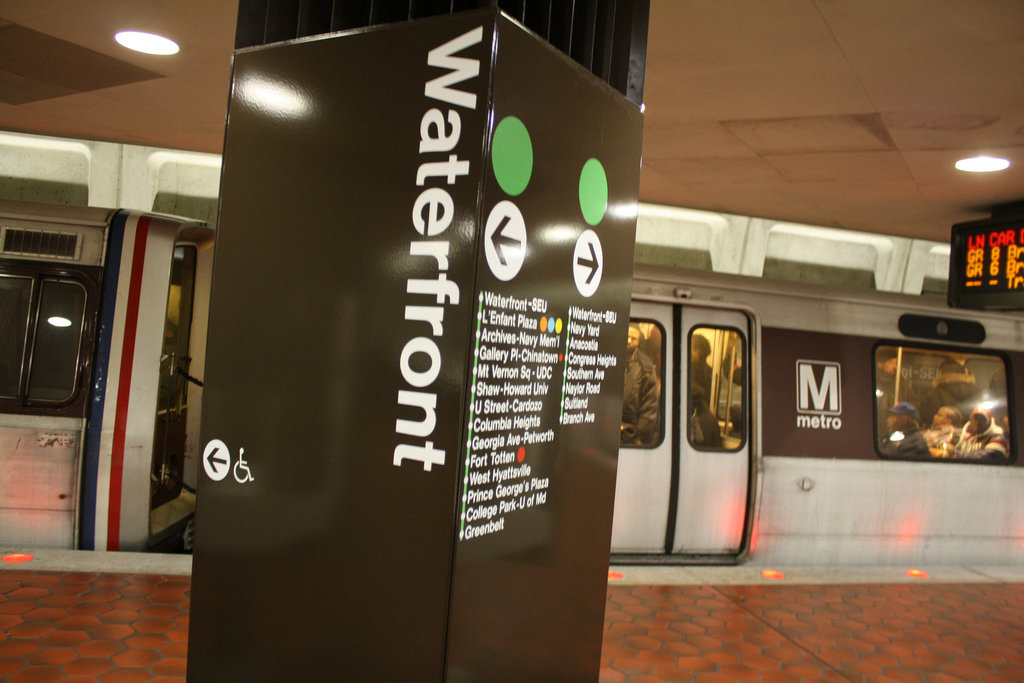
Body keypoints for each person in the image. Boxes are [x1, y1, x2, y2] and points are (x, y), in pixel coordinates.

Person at [621, 323, 660, 445]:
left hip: (629, 434)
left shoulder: (645, 368)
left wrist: (640, 438)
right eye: (626, 336)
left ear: (639, 342)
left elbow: (649, 408)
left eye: (633, 339)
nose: (628, 341)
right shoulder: (606, 358)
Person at [918, 360, 976, 427]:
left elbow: (925, 418)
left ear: (942, 374)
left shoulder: (934, 395)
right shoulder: (976, 395)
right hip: (969, 434)